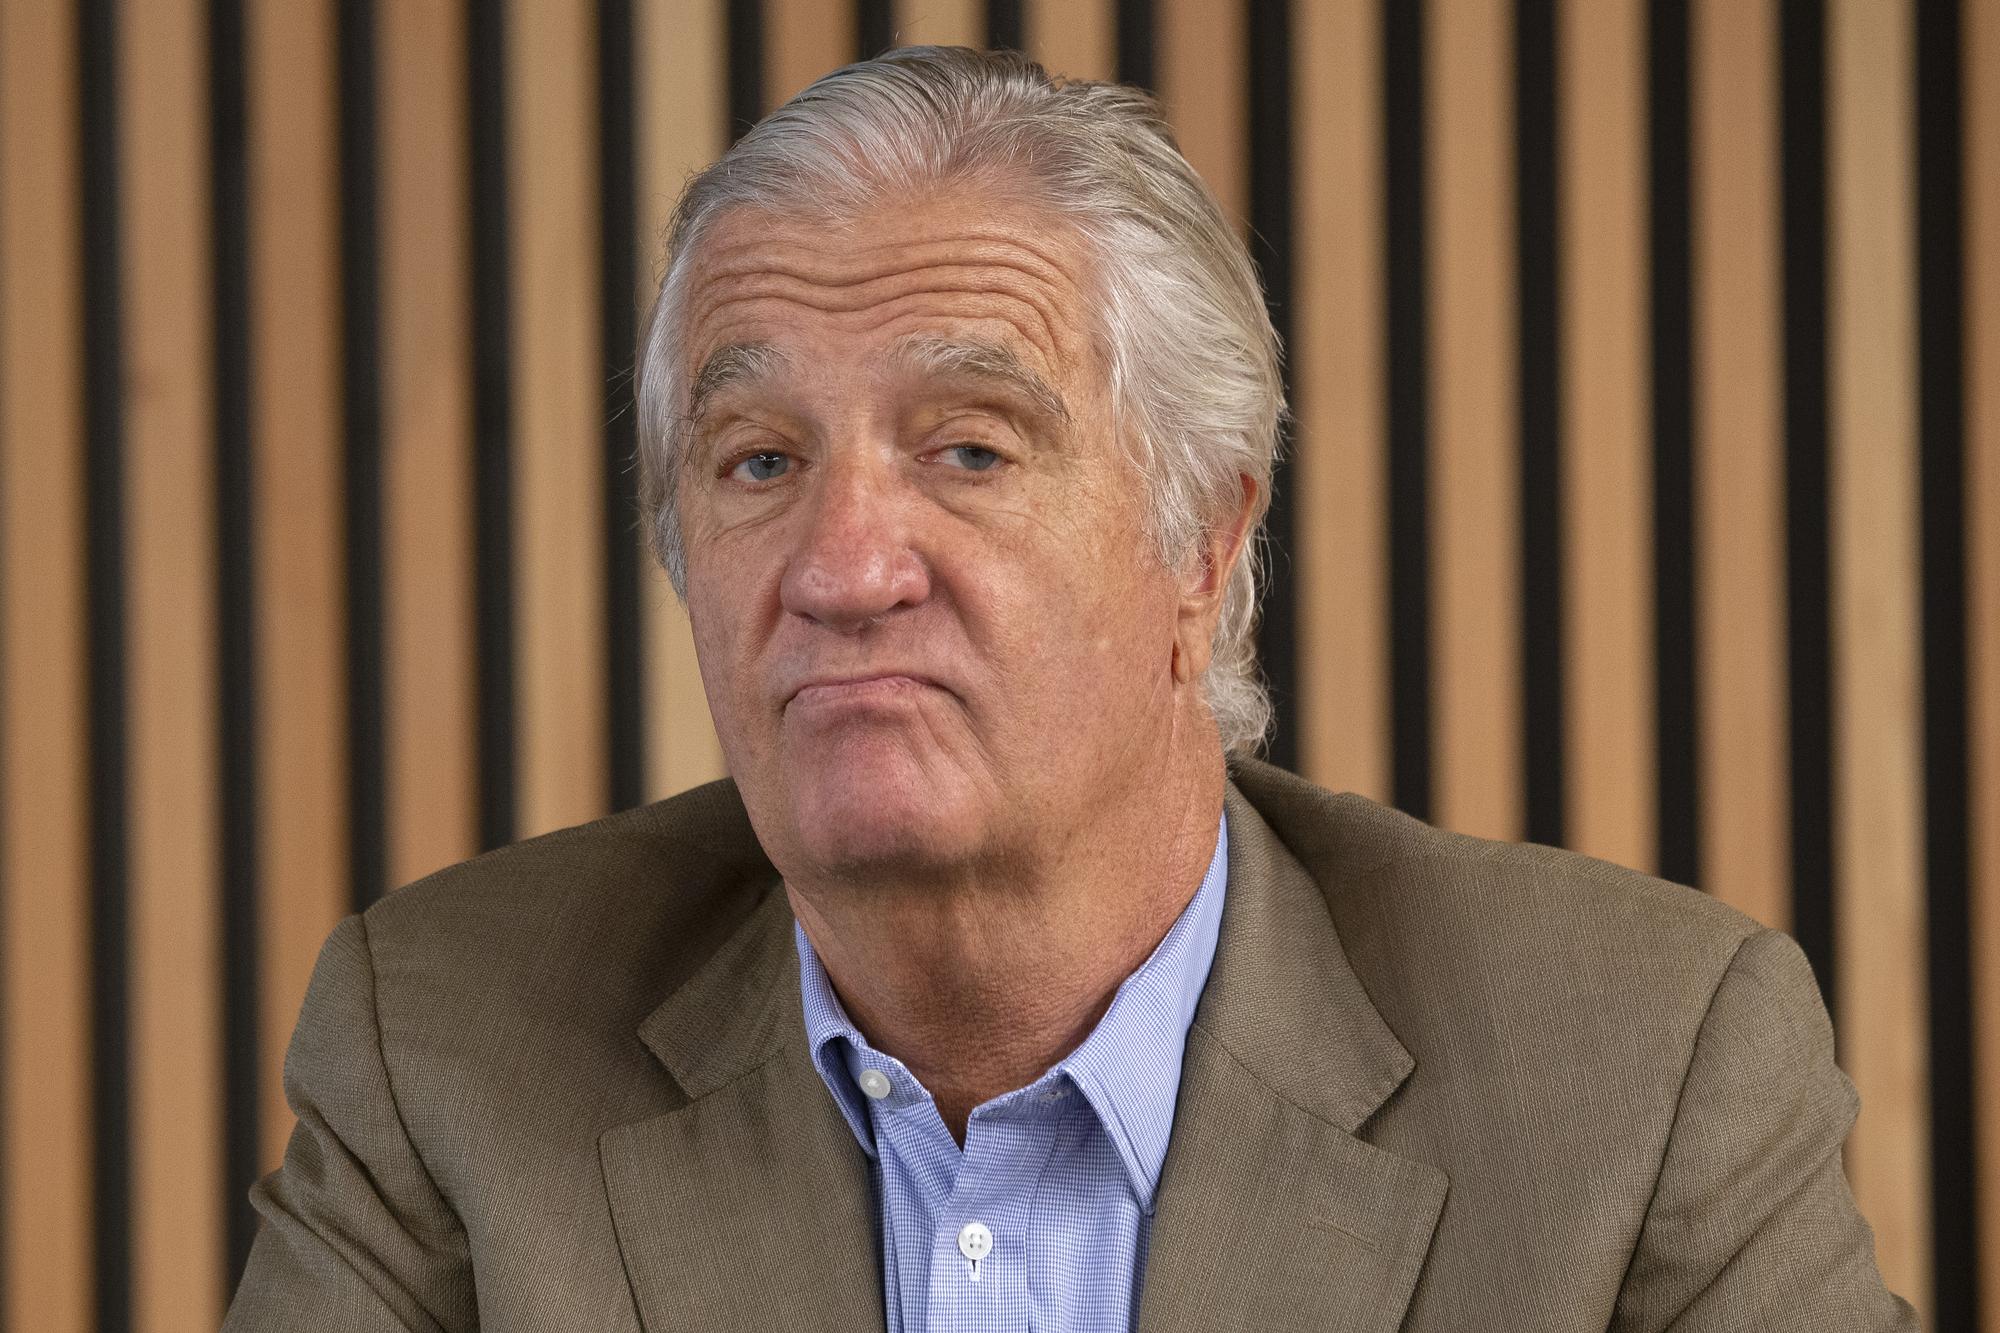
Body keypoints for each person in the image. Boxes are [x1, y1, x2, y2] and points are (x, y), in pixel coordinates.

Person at [224, 46, 1915, 1331]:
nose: (842, 562)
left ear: (1201, 545)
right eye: (755, 461)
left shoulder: (1637, 1071)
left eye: (967, 448)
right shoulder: (448, 1043)